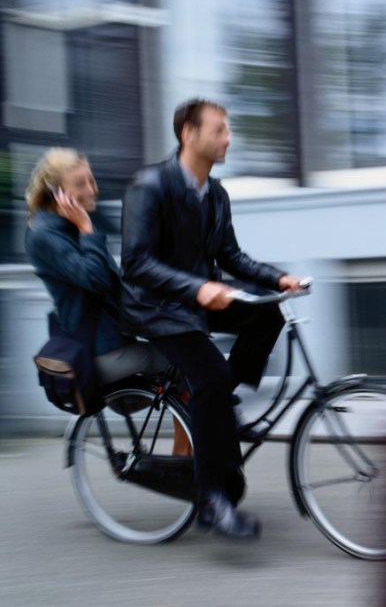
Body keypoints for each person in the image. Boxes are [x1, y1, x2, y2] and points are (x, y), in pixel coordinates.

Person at [120, 98, 306, 540]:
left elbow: (231, 256)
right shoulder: (150, 185)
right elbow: (136, 263)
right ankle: (211, 500)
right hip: (158, 308)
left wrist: (279, 278)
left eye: (228, 129)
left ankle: (224, 399)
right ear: (189, 133)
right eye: (220, 129)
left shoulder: (215, 194)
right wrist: (198, 287)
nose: (229, 138)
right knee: (209, 377)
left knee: (268, 314)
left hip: (198, 302)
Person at [24, 148, 166, 387]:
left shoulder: (71, 225)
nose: (92, 189)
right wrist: (87, 230)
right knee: (185, 364)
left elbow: (116, 284)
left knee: (189, 352)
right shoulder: (45, 236)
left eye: (91, 180)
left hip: (115, 340)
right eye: (80, 184)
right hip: (96, 352)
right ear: (56, 193)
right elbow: (97, 280)